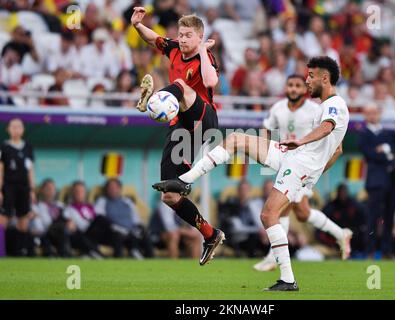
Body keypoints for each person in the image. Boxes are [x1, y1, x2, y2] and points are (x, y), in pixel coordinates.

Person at [155, 56, 349, 291]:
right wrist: (314, 172)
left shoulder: (334, 104)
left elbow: (327, 127)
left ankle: (288, 279)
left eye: (310, 76)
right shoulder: (322, 106)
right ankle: (185, 180)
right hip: (294, 156)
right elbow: (337, 149)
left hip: (300, 161)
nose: (307, 81)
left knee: (269, 215)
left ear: (325, 78)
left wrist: (304, 150)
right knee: (236, 139)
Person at [131, 7, 224, 265]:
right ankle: (210, 234)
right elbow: (153, 38)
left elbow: (210, 82)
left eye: (188, 35)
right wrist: (138, 25)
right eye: (180, 34)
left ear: (199, 37)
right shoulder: (173, 48)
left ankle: (154, 102)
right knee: (170, 195)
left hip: (204, 118)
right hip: (182, 127)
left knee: (181, 85)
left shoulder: (205, 57)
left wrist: (204, 50)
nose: (182, 39)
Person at [253, 75, 352, 272]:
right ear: (286, 87)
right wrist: (265, 155)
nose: (294, 89)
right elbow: (265, 129)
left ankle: (274, 257)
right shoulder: (278, 108)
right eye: (290, 85)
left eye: (298, 85)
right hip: (285, 163)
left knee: (283, 210)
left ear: (303, 90)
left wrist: (317, 170)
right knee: (302, 213)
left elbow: (336, 146)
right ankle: (341, 233)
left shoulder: (315, 110)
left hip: (303, 165)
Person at [358, 104, 395, 258]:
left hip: (393, 179)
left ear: (379, 113)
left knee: (390, 215)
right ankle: (370, 251)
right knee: (373, 216)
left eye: (375, 112)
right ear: (365, 115)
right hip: (376, 181)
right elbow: (370, 154)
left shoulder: (389, 132)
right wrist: (389, 154)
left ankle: (387, 250)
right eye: (369, 113)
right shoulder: (364, 134)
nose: (372, 115)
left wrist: (385, 148)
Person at [0, 118, 35, 256]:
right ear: (8, 129)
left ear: (23, 129)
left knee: (24, 220)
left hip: (24, 187)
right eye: (13, 127)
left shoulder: (27, 147)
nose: (16, 129)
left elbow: (30, 169)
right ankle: (2, 251)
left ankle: (19, 252)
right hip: (8, 186)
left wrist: (32, 189)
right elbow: (1, 169)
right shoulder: (4, 147)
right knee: (4, 218)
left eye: (19, 127)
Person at [94, 178, 153, 259]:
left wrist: (140, 228)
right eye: (110, 188)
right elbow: (100, 218)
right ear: (106, 189)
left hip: (131, 231)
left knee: (146, 237)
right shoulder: (102, 201)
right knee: (118, 237)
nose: (113, 190)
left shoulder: (127, 201)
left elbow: (136, 219)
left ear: (119, 189)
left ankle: (150, 262)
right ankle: (121, 261)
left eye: (115, 188)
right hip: (114, 232)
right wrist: (116, 228)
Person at [319, 184, 367, 257]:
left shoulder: (354, 205)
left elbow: (364, 218)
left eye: (344, 192)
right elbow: (321, 224)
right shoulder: (331, 207)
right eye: (341, 192)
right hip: (335, 239)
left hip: (353, 238)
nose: (343, 194)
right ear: (337, 193)